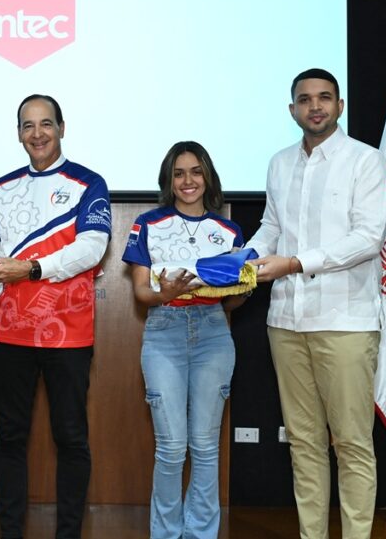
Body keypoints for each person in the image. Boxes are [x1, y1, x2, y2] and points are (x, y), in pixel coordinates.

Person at [247, 68, 386, 539]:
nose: (315, 106)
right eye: (305, 99)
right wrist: (240, 261)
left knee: (351, 443)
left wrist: (294, 263)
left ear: (339, 106)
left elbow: (367, 239)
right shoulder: (279, 163)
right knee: (303, 444)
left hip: (345, 320)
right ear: (292, 110)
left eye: (324, 98)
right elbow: (271, 227)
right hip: (286, 321)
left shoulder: (365, 160)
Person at [0, 94, 111, 539]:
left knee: (71, 438)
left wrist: (31, 268)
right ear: (18, 133)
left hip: (68, 335)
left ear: (62, 128)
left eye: (46, 124)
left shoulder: (89, 183)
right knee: (10, 437)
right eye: (28, 125)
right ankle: (10, 531)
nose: (37, 134)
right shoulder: (1, 188)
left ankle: (68, 533)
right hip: (9, 335)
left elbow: (92, 249)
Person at [121, 141, 248, 539]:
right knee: (172, 447)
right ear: (169, 180)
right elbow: (141, 293)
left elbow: (232, 301)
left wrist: (245, 288)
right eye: (179, 173)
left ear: (207, 176)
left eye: (195, 172)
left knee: (206, 447)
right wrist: (166, 294)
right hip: (164, 331)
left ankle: (201, 534)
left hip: (213, 333)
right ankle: (165, 533)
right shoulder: (147, 223)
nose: (187, 180)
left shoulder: (229, 230)